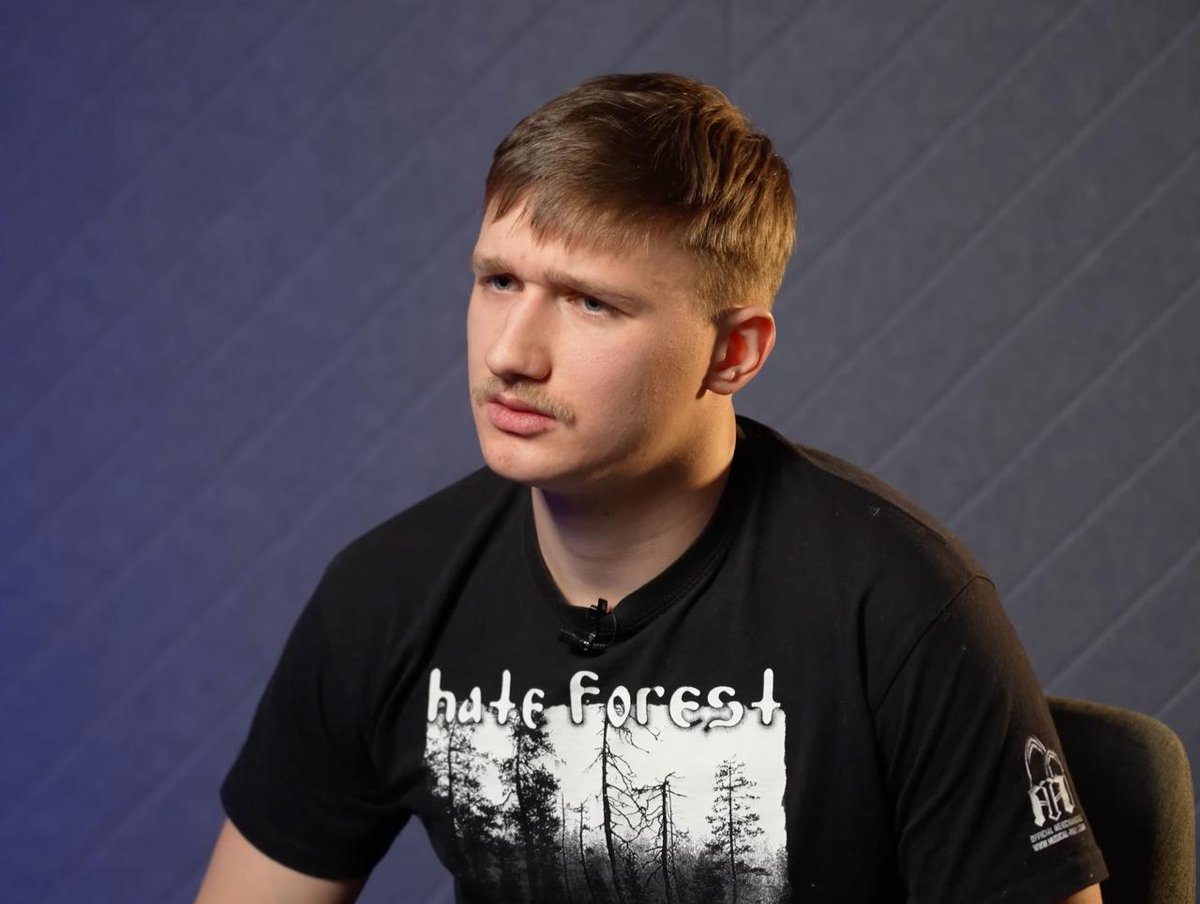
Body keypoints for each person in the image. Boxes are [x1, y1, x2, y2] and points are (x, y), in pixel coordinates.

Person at [196, 73, 1108, 903]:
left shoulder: (900, 607)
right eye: (499, 280)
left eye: (591, 302)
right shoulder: (387, 596)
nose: (510, 353)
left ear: (733, 352)